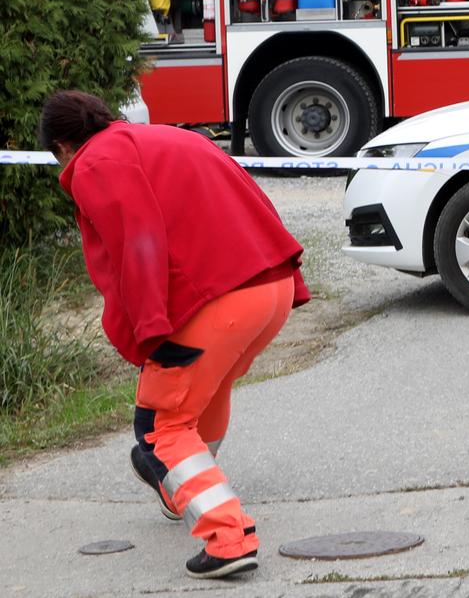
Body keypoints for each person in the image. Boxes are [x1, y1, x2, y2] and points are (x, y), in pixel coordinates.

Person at [40, 91, 310, 581]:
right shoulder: (169, 137)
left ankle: (227, 537)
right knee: (207, 395)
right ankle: (182, 489)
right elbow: (252, 197)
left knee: (160, 426)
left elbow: (136, 242)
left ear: (62, 145)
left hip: (217, 301)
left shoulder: (96, 162)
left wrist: (148, 331)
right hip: (269, 289)